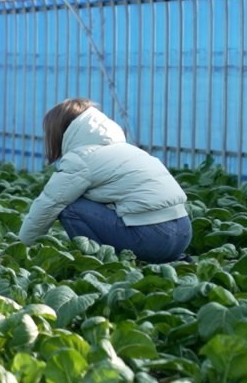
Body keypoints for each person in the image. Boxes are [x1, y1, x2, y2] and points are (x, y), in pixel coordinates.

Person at [18, 98, 191, 263]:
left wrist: (20, 248)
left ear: (61, 132)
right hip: (183, 233)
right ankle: (168, 258)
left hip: (152, 239)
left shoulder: (81, 158)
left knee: (69, 207)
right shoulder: (127, 149)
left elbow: (48, 204)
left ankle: (95, 260)